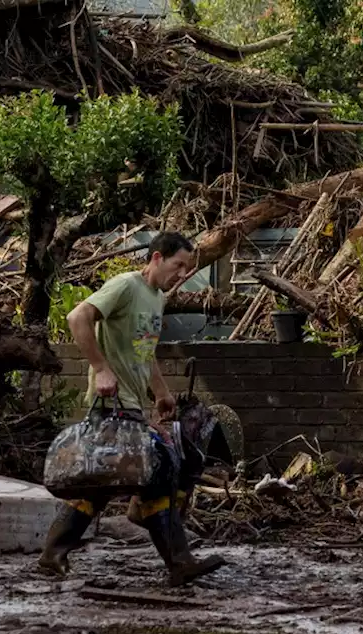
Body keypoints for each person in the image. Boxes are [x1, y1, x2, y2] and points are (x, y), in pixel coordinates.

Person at [38, 232, 226, 585]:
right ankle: (177, 560)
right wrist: (100, 367)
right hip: (110, 404)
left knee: (102, 486)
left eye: (187, 268)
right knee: (148, 476)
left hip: (132, 405)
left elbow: (144, 351)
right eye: (177, 265)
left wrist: (161, 392)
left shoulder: (155, 298)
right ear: (156, 258)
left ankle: (53, 554)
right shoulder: (126, 285)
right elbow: (77, 316)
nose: (181, 273)